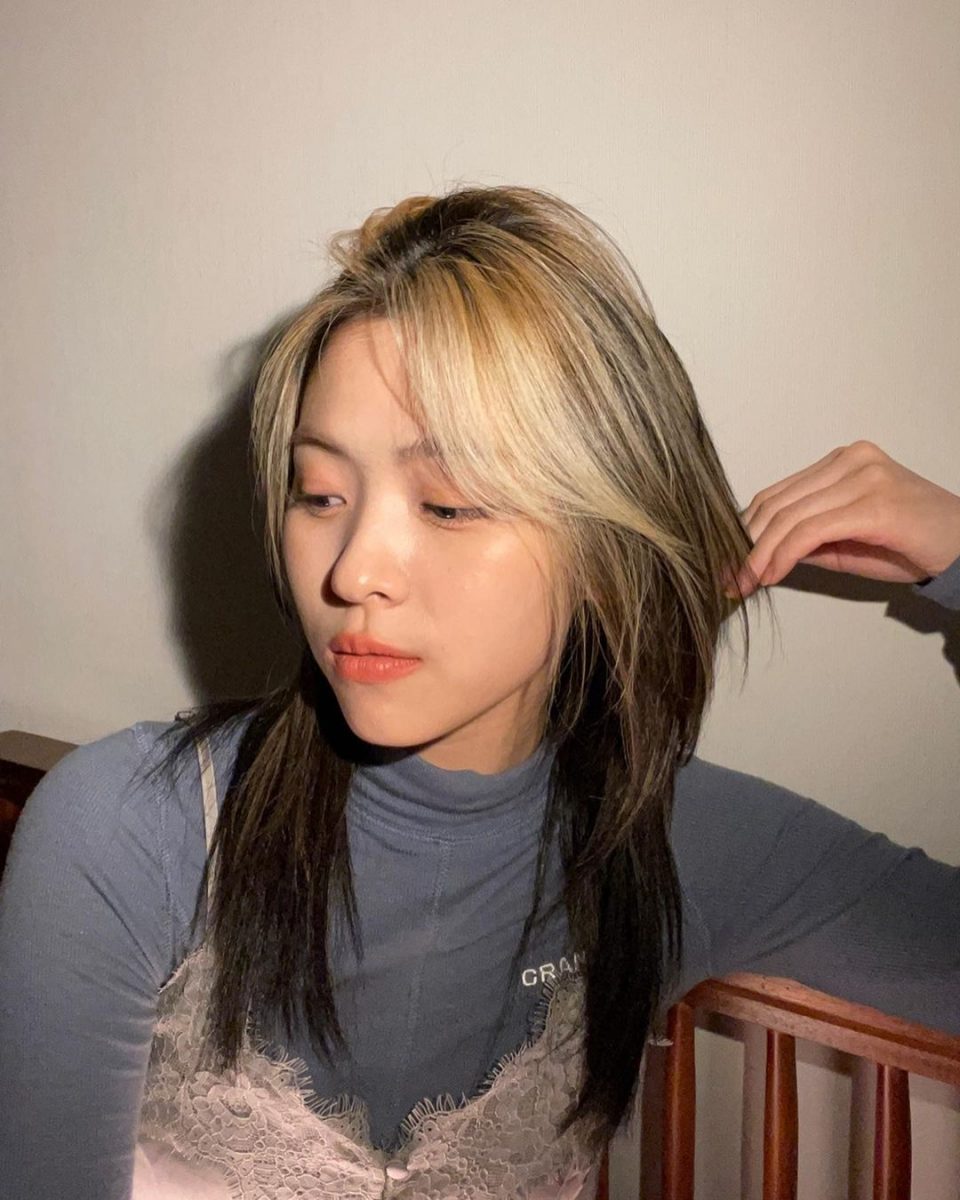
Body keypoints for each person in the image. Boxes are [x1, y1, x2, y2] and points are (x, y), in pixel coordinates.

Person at [1, 184, 958, 1200]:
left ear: (606, 553)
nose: (353, 570)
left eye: (449, 504)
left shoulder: (685, 843)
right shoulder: (132, 831)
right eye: (319, 494)